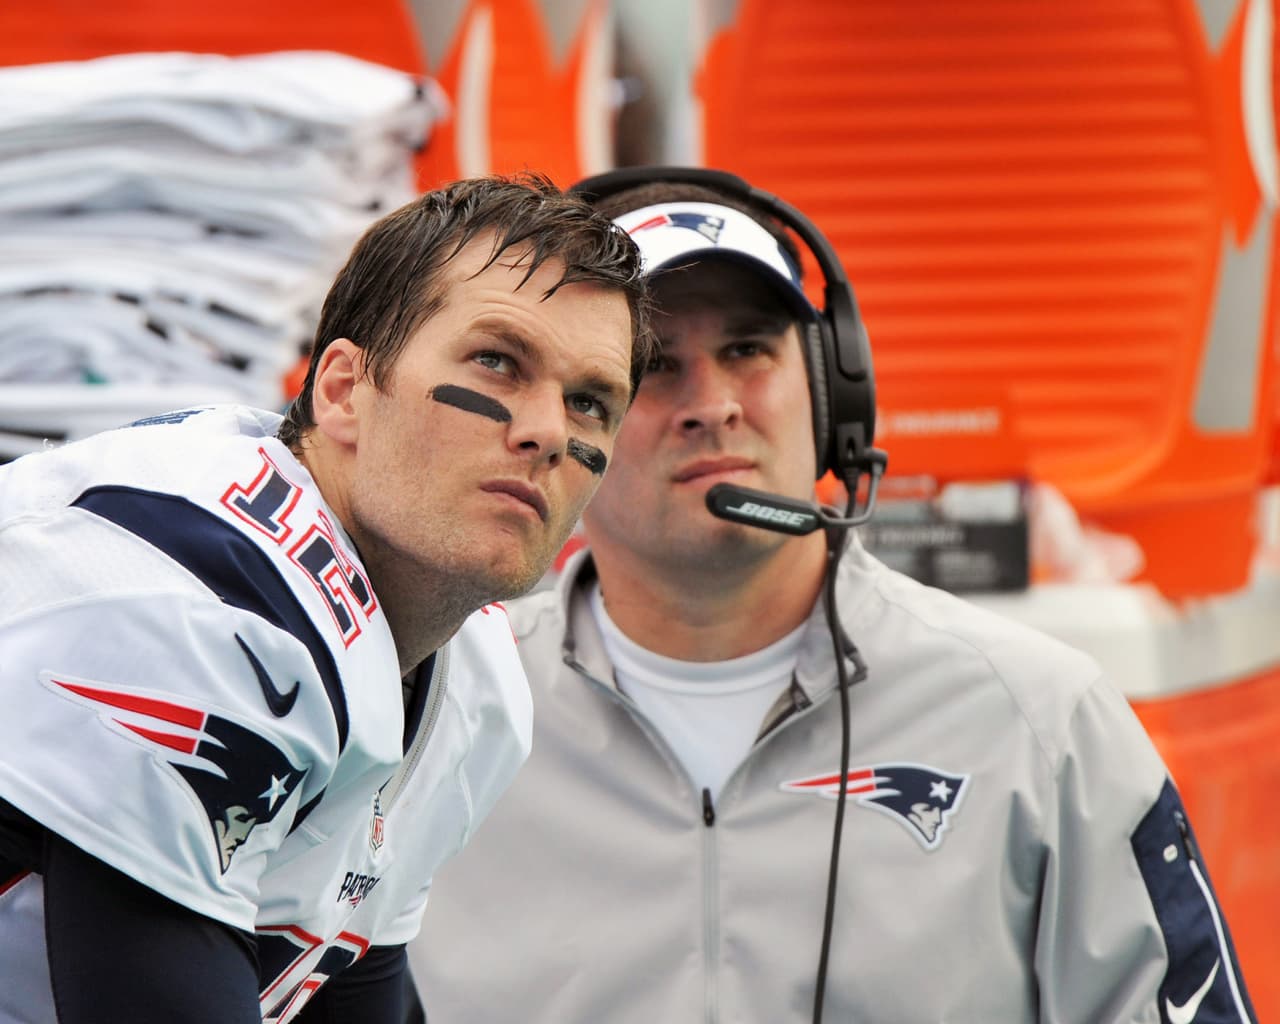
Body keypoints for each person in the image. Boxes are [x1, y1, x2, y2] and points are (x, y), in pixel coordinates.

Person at [407, 167, 1258, 1023]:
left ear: (831, 390)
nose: (714, 406)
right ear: (566, 422)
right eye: (655, 365)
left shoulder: (1039, 719)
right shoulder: (437, 712)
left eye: (748, 349)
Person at [0, 172, 651, 1024]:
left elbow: (356, 995)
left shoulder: (478, 685)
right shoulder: (200, 602)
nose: (549, 432)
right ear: (343, 389)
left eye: (591, 402)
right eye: (497, 361)